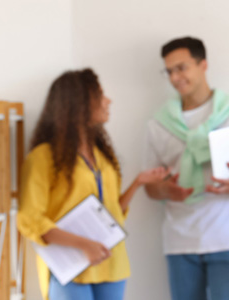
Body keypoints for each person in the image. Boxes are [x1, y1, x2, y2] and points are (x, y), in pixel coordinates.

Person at [17, 68, 168, 300]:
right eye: (100, 95)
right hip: (69, 267)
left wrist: (138, 182)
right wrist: (83, 244)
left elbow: (111, 212)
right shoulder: (43, 158)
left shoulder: (104, 157)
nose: (108, 101)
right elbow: (30, 220)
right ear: (78, 103)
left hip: (111, 264)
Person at [142, 36, 229, 300]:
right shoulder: (158, 125)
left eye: (181, 67)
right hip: (180, 242)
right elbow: (150, 188)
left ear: (203, 65)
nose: (175, 77)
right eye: (169, 71)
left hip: (228, 239)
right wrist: (165, 190)